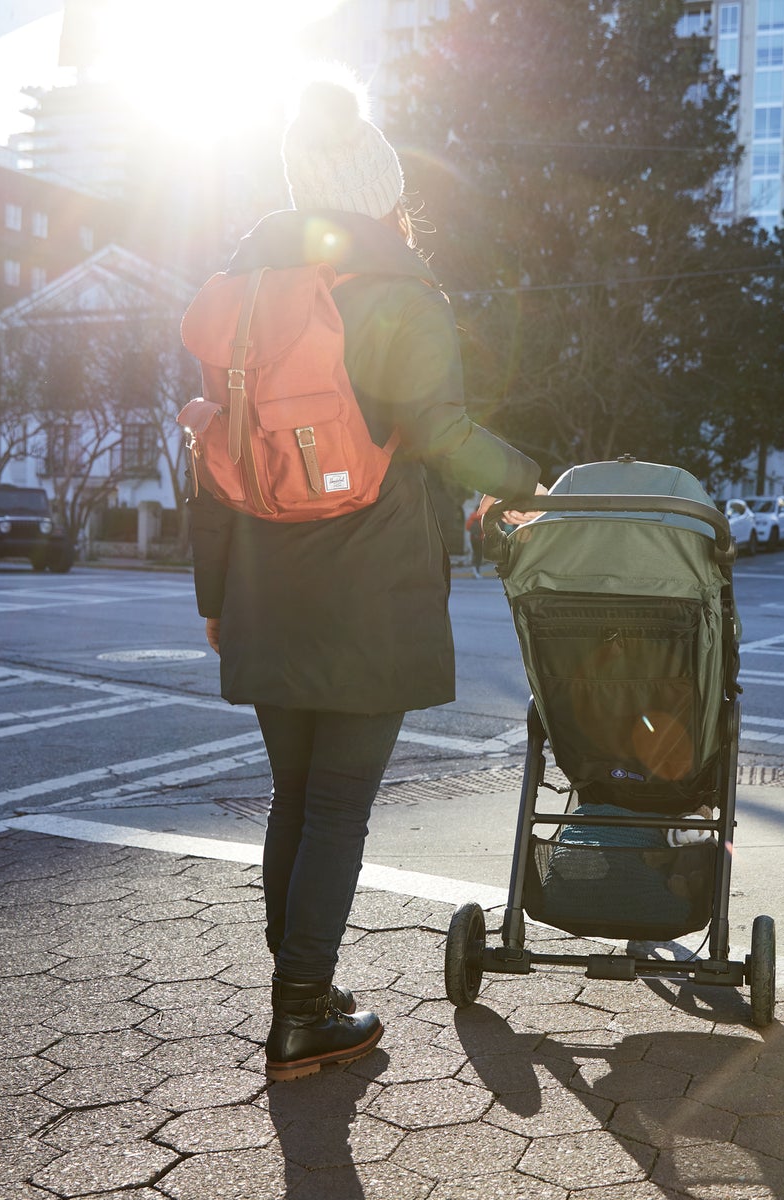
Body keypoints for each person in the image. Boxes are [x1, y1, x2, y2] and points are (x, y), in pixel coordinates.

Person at [190, 79, 544, 1082]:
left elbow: (210, 458)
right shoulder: (400, 292)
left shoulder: (245, 294)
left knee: (295, 797)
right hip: (369, 583)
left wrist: (215, 595)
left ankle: (305, 994)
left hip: (263, 578)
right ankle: (302, 1012)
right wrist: (530, 481)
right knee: (339, 804)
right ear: (384, 194)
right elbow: (438, 432)